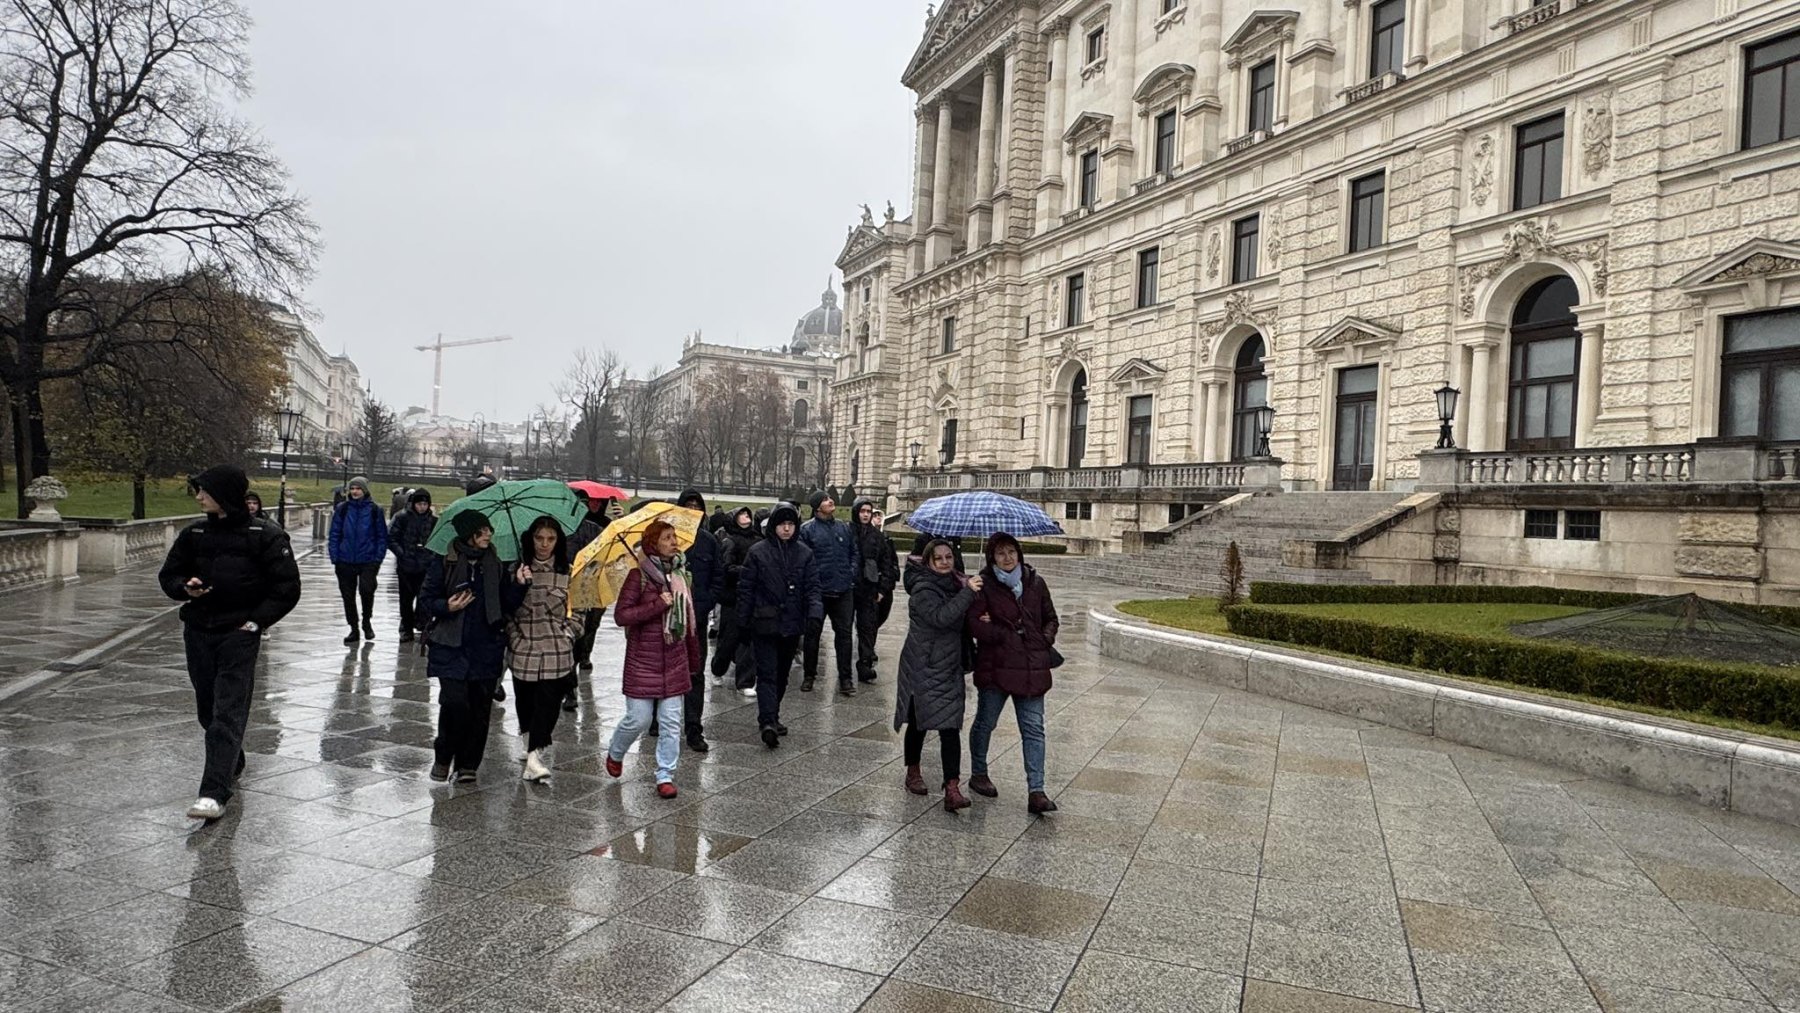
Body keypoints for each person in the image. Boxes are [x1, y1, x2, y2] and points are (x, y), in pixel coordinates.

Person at [158, 465, 301, 821]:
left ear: (223, 494)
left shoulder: (265, 535)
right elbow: (170, 575)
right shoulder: (194, 534)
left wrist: (254, 623)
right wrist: (185, 587)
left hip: (239, 634)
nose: (198, 497)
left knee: (228, 710)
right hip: (198, 631)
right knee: (207, 708)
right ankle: (231, 758)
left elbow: (287, 588)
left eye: (204, 491)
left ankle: (213, 792)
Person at [604, 519, 700, 799]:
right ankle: (616, 752)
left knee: (671, 722)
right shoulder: (638, 576)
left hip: (674, 659)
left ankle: (665, 774)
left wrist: (693, 659)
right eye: (667, 538)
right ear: (653, 543)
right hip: (643, 662)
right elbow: (622, 616)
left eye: (674, 537)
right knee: (639, 719)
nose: (674, 542)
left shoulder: (681, 576)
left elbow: (689, 622)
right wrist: (659, 604)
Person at [422, 511, 520, 783]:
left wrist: (521, 584)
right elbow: (426, 600)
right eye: (481, 531)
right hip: (450, 645)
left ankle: (468, 764)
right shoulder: (445, 561)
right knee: (454, 703)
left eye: (488, 530)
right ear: (468, 535)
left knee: (480, 709)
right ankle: (443, 755)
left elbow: (507, 603)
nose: (488, 535)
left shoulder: (496, 563)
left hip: (486, 646)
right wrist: (447, 606)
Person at [967, 532, 1060, 814]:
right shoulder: (983, 585)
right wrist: (1003, 634)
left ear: (1019, 553)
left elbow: (1051, 618)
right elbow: (974, 624)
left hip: (1032, 667)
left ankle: (1037, 791)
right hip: (996, 666)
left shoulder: (1035, 582)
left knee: (1033, 729)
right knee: (986, 722)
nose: (1007, 558)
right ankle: (979, 772)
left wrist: (1044, 639)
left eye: (1011, 552)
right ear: (991, 557)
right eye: (1000, 553)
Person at [895, 538, 980, 812]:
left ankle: (952, 788)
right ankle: (913, 771)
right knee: (918, 721)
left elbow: (962, 618)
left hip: (949, 664)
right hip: (923, 663)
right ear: (929, 562)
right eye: (938, 558)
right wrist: (968, 593)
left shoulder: (957, 583)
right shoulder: (922, 589)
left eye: (948, 557)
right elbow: (941, 617)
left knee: (950, 726)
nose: (944, 562)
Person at [737, 503, 820, 748]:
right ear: (774, 526)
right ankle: (768, 721)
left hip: (791, 624)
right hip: (764, 623)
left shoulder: (804, 553)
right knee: (767, 674)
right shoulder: (757, 552)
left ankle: (773, 714)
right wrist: (743, 622)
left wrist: (814, 615)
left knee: (782, 674)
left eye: (791, 524)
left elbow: (813, 587)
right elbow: (746, 589)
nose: (786, 528)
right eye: (782, 524)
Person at [507, 516, 581, 782]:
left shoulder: (568, 572)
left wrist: (569, 634)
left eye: (550, 539)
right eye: (539, 538)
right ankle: (529, 743)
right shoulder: (516, 570)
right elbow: (506, 610)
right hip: (524, 648)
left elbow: (579, 609)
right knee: (526, 703)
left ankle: (534, 756)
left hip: (556, 649)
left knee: (548, 704)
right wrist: (514, 637)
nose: (544, 544)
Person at [799, 491, 859, 696]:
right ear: (817, 507)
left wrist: (850, 573)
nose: (830, 501)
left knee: (844, 636)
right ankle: (809, 675)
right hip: (818, 592)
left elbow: (854, 553)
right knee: (812, 635)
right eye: (825, 499)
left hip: (843, 590)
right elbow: (803, 560)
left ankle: (845, 678)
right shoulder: (807, 530)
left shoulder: (843, 527)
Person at [568, 496, 618, 708]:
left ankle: (584, 655)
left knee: (591, 624)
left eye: (599, 501)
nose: (594, 504)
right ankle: (570, 683)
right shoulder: (569, 526)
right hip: (574, 584)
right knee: (573, 631)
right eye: (591, 501)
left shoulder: (605, 525)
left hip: (597, 582)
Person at [328, 476, 388, 645]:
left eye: (358, 488)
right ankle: (353, 628)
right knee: (348, 596)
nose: (355, 492)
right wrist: (335, 556)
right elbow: (334, 533)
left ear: (364, 490)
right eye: (352, 488)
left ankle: (366, 621)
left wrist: (377, 558)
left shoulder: (375, 510)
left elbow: (382, 536)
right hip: (345, 559)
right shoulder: (343, 509)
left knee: (367, 591)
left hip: (368, 560)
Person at [712, 506, 761, 694]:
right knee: (728, 639)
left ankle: (745, 682)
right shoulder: (730, 542)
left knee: (748, 641)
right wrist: (747, 571)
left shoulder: (758, 539)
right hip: (733, 598)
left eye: (748, 514)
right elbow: (726, 568)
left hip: (752, 597)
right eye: (741, 514)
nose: (746, 516)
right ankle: (718, 668)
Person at [850, 497, 899, 684]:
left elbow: (886, 564)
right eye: (862, 511)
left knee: (868, 628)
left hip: (869, 588)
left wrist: (882, 589)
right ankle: (845, 668)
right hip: (849, 588)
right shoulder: (847, 532)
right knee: (845, 630)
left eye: (868, 512)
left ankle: (865, 664)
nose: (865, 515)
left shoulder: (878, 537)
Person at [387, 489, 437, 643]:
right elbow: (391, 538)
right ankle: (406, 628)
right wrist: (402, 554)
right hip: (406, 566)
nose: (422, 507)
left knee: (424, 599)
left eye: (425, 504)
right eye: (419, 504)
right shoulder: (402, 518)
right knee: (406, 600)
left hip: (426, 567)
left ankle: (423, 625)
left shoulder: (433, 521)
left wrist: (430, 556)